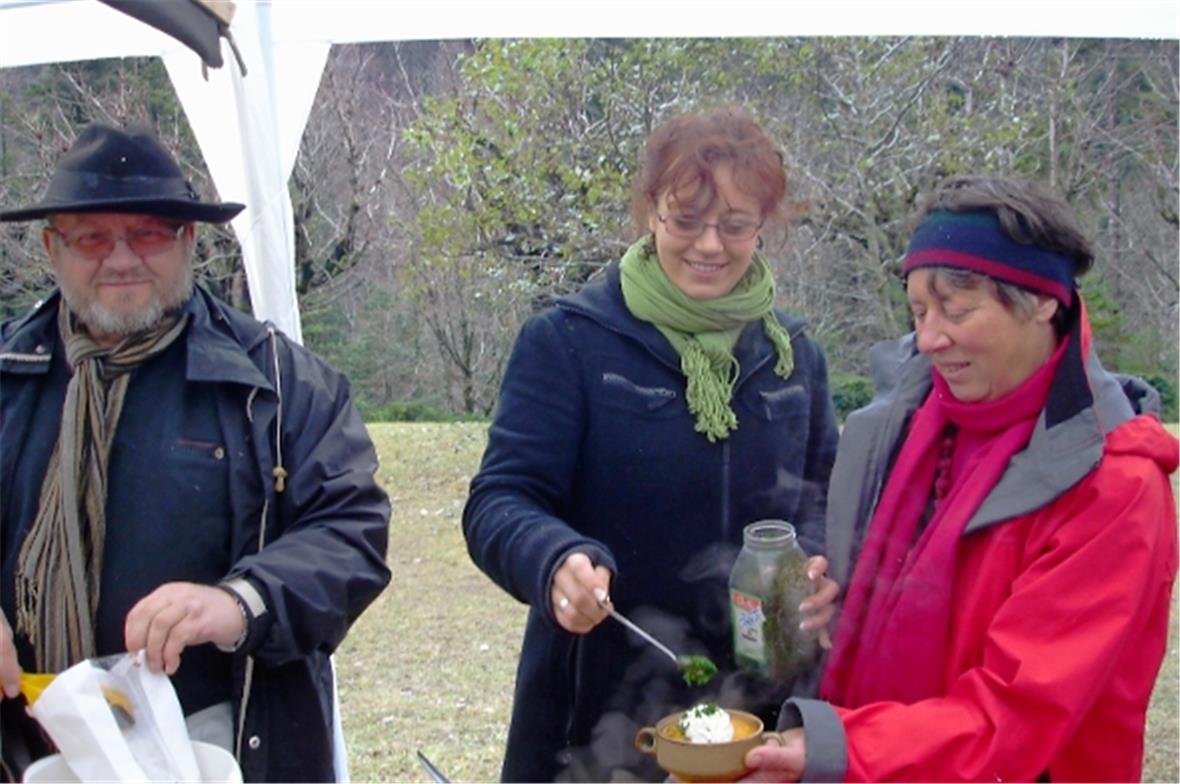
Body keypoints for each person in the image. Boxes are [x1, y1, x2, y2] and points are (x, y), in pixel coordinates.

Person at [743, 176, 1179, 783]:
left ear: (1043, 301)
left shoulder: (1115, 485)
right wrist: (838, 599)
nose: (929, 338)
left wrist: (834, 749)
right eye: (919, 310)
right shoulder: (899, 428)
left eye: (956, 309)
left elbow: (1018, 713)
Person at [0, 123, 391, 782]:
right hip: (28, 754)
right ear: (52, 248)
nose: (121, 259)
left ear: (187, 241)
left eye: (148, 233)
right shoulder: (8, 374)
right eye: (93, 237)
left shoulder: (276, 381)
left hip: (223, 749)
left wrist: (241, 602)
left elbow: (352, 534)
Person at [463, 108, 840, 782]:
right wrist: (554, 560)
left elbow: (827, 494)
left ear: (764, 225)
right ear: (649, 213)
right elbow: (500, 500)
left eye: (735, 225)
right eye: (685, 220)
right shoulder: (570, 343)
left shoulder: (793, 355)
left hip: (765, 717)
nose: (709, 246)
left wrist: (817, 565)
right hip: (600, 715)